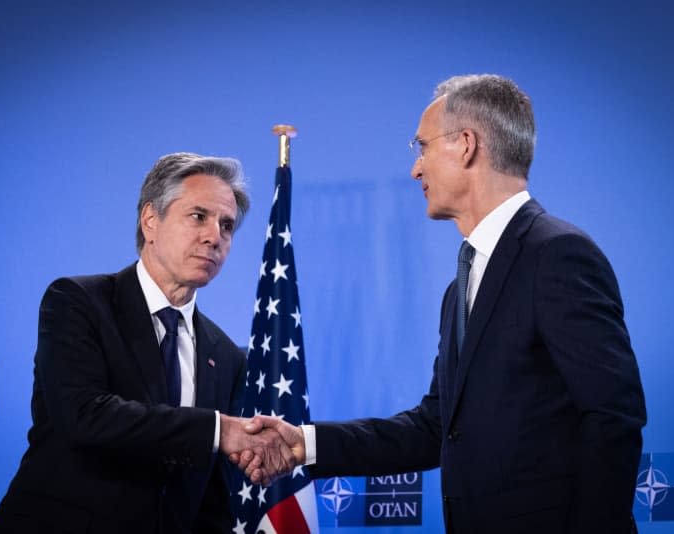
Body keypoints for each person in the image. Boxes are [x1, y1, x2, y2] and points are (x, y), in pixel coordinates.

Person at [237, 74, 647, 533]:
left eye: (422, 147)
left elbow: (612, 416)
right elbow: (436, 427)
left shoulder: (557, 254)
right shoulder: (461, 286)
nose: (415, 169)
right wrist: (305, 445)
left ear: (467, 145)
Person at [0, 152, 296, 534]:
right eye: (198, 216)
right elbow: (85, 416)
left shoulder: (227, 356)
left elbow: (211, 498)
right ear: (151, 220)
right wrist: (218, 430)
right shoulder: (78, 301)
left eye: (227, 226)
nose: (214, 237)